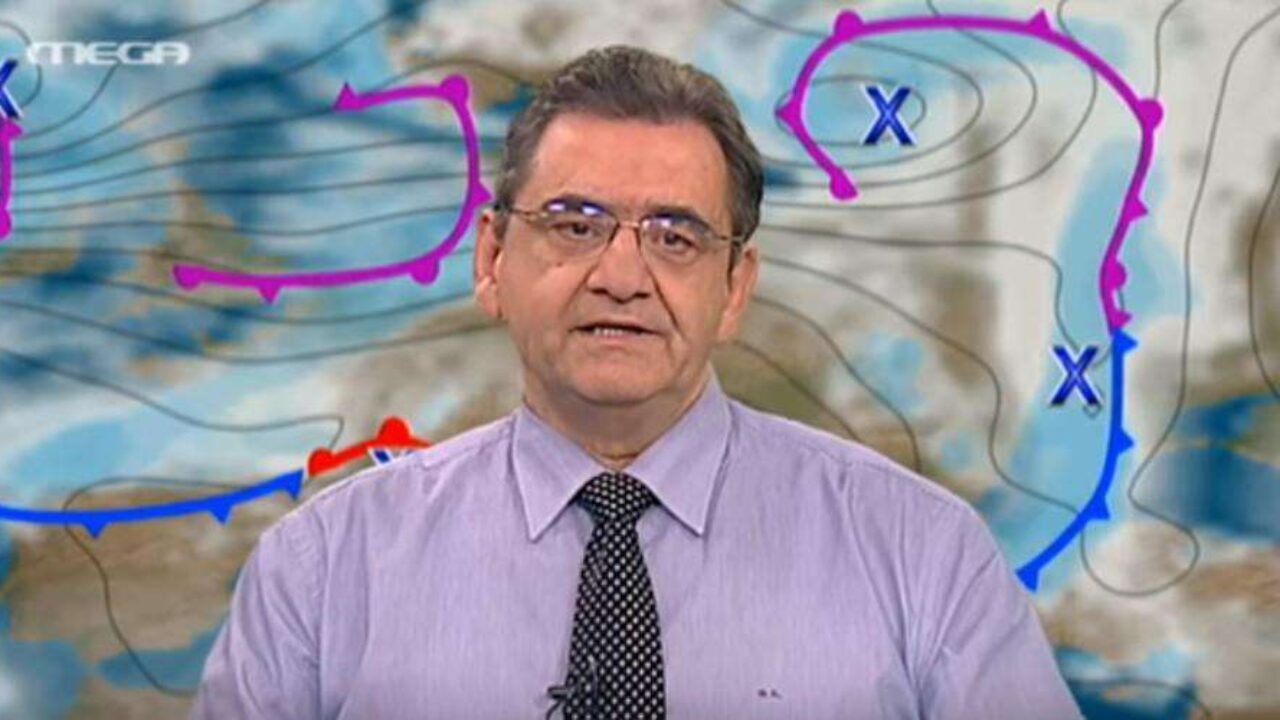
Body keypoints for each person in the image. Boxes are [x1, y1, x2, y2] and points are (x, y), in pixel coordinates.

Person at [191, 45, 1082, 720]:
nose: (622, 276)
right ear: (492, 259)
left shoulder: (921, 556)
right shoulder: (323, 571)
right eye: (575, 225)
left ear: (735, 288)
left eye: (675, 237)